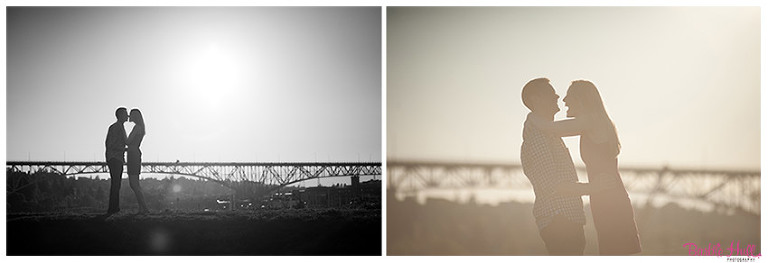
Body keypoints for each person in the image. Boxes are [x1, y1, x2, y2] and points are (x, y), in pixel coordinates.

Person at [530, 80, 642, 255]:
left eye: (569, 96)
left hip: (609, 198)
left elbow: (551, 128)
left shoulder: (591, 120)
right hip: (605, 197)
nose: (564, 100)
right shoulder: (594, 122)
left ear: (581, 100)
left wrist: (531, 116)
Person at [521, 77, 597, 255]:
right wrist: (594, 188)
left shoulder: (548, 134)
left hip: (564, 220)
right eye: (550, 92)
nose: (557, 95)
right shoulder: (538, 138)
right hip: (560, 220)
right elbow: (553, 186)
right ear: (536, 99)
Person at [105, 107, 128, 215]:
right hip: (115, 158)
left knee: (116, 183)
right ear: (120, 115)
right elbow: (111, 144)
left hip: (117, 158)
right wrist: (124, 149)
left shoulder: (120, 127)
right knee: (116, 183)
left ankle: (114, 207)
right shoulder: (115, 127)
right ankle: (113, 208)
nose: (127, 116)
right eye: (126, 114)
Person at [127, 108, 150, 214]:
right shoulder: (141, 128)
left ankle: (144, 207)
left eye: (130, 115)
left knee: (134, 183)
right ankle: (143, 208)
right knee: (135, 183)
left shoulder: (136, 128)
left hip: (133, 155)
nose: (128, 116)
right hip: (135, 154)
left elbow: (128, 141)